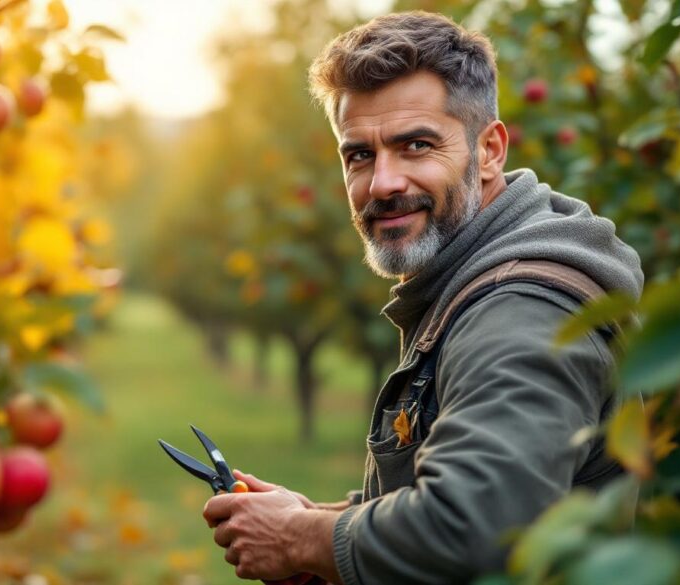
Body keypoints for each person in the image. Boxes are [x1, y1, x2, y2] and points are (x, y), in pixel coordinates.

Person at [201, 10, 644, 585]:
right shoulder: (469, 284)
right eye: (359, 154)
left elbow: (472, 527)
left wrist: (300, 539)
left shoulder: (522, 312)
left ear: (489, 151)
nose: (383, 183)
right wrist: (319, 520)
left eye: (415, 145)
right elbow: (452, 492)